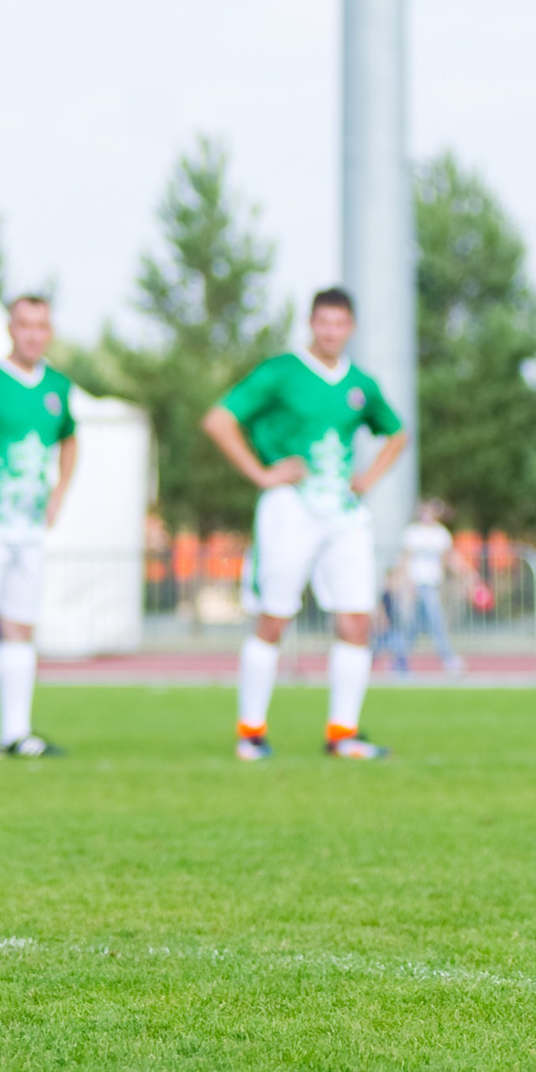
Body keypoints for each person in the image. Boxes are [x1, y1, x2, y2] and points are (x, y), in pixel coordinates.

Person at [201, 289, 410, 759]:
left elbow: (398, 433)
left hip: (343, 512)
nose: (331, 331)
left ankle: (343, 734)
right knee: (274, 618)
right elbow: (218, 420)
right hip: (290, 507)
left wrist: (369, 478)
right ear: (311, 324)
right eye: (323, 322)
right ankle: (250, 732)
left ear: (350, 328)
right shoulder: (281, 372)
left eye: (339, 323)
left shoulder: (361, 384)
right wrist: (261, 473)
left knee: (357, 620)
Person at [0, 294, 80, 758]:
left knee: (21, 627)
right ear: (11, 328)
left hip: (29, 526)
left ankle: (17, 733)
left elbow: (68, 439)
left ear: (50, 331)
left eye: (41, 326)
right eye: (24, 325)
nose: (32, 334)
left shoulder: (59, 387)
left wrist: (59, 493)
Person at [380, 499, 480, 674]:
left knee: (435, 622)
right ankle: (402, 661)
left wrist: (469, 575)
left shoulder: (441, 534)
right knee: (412, 626)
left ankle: (446, 658)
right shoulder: (412, 533)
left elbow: (450, 559)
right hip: (414, 586)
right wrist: (402, 583)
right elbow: (404, 560)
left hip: (431, 585)